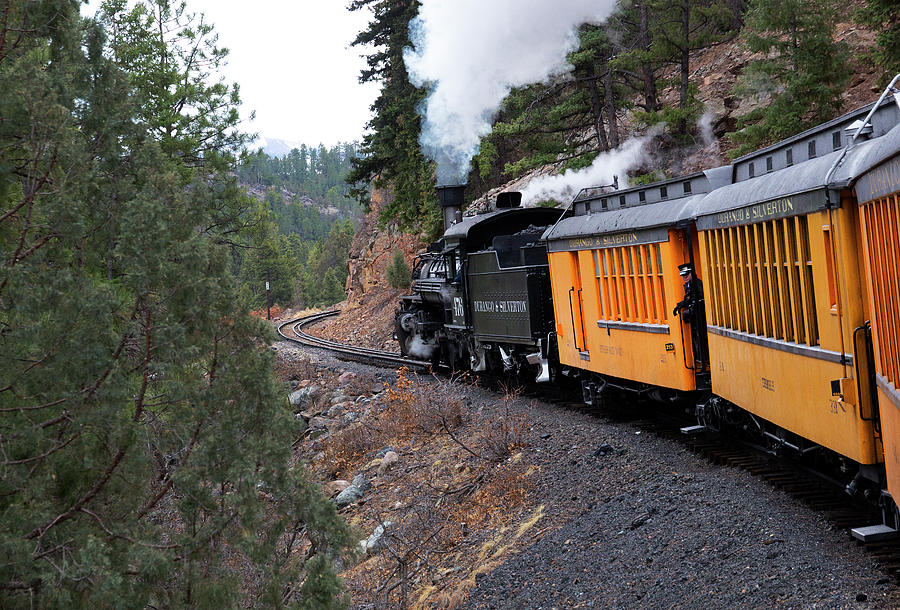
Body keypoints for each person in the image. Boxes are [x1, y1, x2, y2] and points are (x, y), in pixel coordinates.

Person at [673, 263, 708, 366]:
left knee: (702, 337)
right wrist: (679, 306)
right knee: (696, 337)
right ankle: (700, 358)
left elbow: (698, 299)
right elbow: (688, 298)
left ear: (692, 273)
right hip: (695, 316)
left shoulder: (697, 285)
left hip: (700, 316)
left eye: (686, 275)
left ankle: (704, 359)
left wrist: (686, 307)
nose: (684, 277)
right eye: (683, 276)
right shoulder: (689, 285)